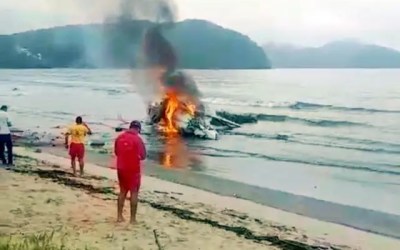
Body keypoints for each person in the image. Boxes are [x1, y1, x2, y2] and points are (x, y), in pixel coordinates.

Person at [114, 120, 146, 224]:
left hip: (121, 168)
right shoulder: (138, 139)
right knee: (134, 193)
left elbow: (116, 152)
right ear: (138, 129)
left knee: (122, 191)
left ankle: (119, 216)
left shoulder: (119, 137)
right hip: (133, 170)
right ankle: (132, 219)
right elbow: (143, 156)